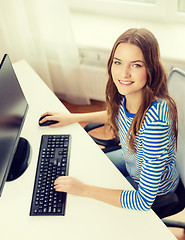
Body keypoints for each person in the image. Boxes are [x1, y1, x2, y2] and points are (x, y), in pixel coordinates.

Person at [40, 28, 183, 217]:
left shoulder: (154, 125)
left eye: (136, 65)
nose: (124, 73)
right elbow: (117, 114)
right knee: (86, 168)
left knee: (87, 205)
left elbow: (142, 200)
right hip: (133, 161)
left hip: (154, 190)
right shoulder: (131, 93)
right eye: (118, 62)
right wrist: (72, 117)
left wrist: (84, 189)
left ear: (151, 68)